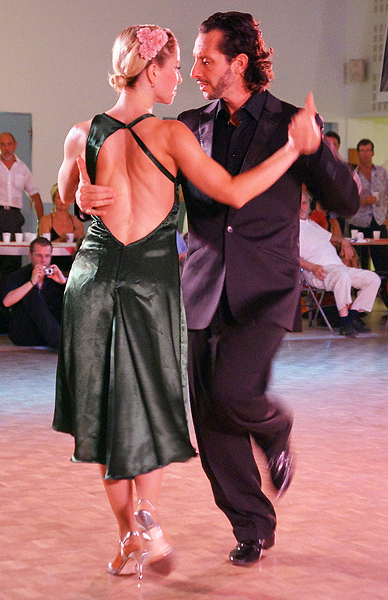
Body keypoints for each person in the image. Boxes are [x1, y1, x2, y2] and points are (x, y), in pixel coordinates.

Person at [52, 23, 321, 578]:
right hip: (149, 284)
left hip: (92, 279)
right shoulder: (174, 134)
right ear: (151, 70)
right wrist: (292, 150)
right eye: (177, 67)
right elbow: (235, 192)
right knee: (151, 405)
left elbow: (65, 197)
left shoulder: (81, 133)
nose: (183, 77)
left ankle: (128, 537)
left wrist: (80, 197)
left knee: (103, 414)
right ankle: (148, 516)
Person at [176, 11, 359, 567]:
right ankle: (252, 525)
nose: (194, 71)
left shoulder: (292, 123)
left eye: (204, 59)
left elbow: (346, 202)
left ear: (238, 63)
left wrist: (316, 149)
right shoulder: (189, 124)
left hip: (265, 291)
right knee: (211, 423)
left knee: (234, 393)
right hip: (202, 289)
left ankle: (275, 427)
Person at [300, 190, 380, 336]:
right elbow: (290, 256)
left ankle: (352, 317)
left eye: (304, 203)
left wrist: (343, 241)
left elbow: (332, 237)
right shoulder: (290, 228)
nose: (301, 207)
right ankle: (344, 322)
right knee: (342, 275)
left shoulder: (311, 224)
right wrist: (313, 267)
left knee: (373, 279)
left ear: (309, 204)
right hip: (318, 271)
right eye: (298, 204)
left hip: (337, 268)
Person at [2, 237, 67, 349]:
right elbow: (6, 302)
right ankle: (62, 345)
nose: (43, 260)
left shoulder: (54, 275)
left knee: (67, 295)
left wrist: (64, 282)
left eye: (47, 256)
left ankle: (67, 342)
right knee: (30, 293)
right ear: (30, 255)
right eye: (39, 255)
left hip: (50, 333)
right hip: (26, 333)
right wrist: (31, 283)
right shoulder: (20, 275)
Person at [0, 132, 43, 241]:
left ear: (15, 145)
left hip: (14, 216)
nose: (6, 148)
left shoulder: (22, 168)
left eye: (9, 144)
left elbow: (35, 196)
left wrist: (41, 223)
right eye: (2, 145)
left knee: (14, 248)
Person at [349, 138, 388, 271]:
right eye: (362, 151)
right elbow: (348, 200)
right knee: (361, 260)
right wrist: (364, 201)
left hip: (379, 220)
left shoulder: (382, 172)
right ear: (358, 153)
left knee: (382, 259)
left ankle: (383, 284)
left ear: (373, 153)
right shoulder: (353, 176)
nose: (365, 154)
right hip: (359, 222)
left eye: (368, 150)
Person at [38, 183, 84, 272]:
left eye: (65, 198)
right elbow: (43, 246)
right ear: (53, 200)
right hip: (51, 266)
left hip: (73, 266)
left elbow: (82, 245)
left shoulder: (77, 221)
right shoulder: (46, 220)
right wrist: (63, 238)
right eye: (59, 198)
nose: (62, 201)